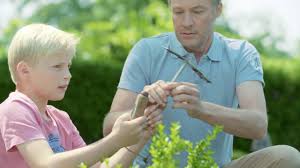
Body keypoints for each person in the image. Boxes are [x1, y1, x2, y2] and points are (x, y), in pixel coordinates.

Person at [103, 0, 300, 167]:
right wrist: (141, 108)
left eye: (197, 11)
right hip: (156, 165)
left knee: (287, 157)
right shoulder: (146, 50)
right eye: (178, 12)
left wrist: (201, 109)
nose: (186, 22)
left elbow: (258, 125)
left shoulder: (241, 53)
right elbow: (109, 127)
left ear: (218, 10)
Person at [0, 23, 158, 168]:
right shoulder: (15, 109)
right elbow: (46, 165)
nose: (68, 75)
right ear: (24, 70)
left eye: (68, 66)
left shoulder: (60, 118)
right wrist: (115, 140)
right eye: (57, 66)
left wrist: (138, 139)